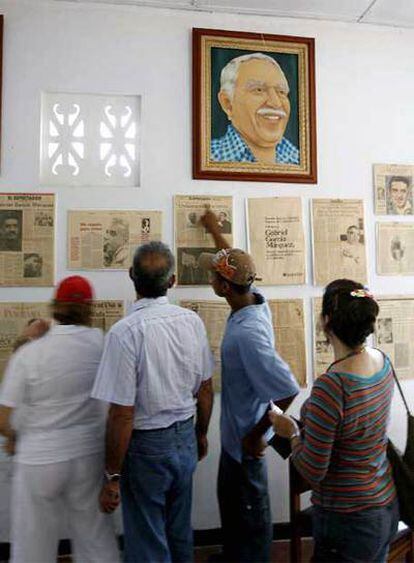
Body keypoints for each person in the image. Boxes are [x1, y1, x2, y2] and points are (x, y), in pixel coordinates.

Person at [91, 241, 214, 563]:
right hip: (185, 436)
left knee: (147, 539)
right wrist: (201, 434)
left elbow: (121, 414)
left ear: (131, 275)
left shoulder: (124, 333)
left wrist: (112, 476)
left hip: (146, 447)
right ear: (172, 281)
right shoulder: (192, 322)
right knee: (179, 532)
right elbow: (205, 388)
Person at [270, 279, 399, 563]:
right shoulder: (382, 361)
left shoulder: (333, 387)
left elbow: (313, 470)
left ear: (327, 321)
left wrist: (291, 433)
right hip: (385, 505)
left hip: (348, 520)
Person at [200, 210, 300, 563]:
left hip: (245, 443)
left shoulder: (248, 333)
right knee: (233, 510)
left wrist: (256, 435)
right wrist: (214, 230)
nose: (210, 278)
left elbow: (288, 388)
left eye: (214, 276)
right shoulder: (254, 298)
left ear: (224, 287)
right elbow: (235, 261)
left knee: (251, 518)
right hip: (234, 440)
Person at [0, 275, 120, 563]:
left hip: (39, 458)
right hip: (86, 456)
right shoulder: (100, 344)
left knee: (33, 545)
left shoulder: (31, 353)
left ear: (55, 306)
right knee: (95, 540)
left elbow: (3, 417)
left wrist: (15, 437)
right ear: (89, 309)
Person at [211, 52, 299, 165]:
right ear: (227, 103)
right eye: (259, 90)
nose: (276, 103)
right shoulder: (210, 157)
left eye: (281, 92)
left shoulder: (301, 160)